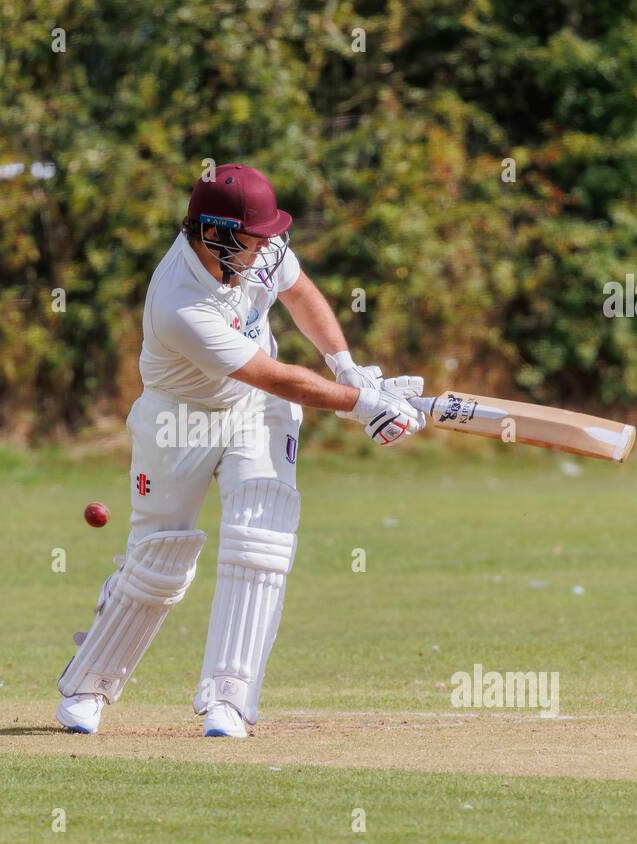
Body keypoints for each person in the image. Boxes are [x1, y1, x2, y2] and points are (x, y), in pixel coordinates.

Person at [56, 163, 424, 737]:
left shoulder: (262, 250)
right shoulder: (180, 301)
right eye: (253, 240)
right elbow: (272, 374)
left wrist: (348, 367)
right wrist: (360, 405)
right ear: (214, 235)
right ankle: (88, 684)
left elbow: (300, 294)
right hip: (181, 421)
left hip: (256, 415)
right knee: (162, 562)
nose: (266, 250)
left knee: (262, 539)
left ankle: (228, 699)